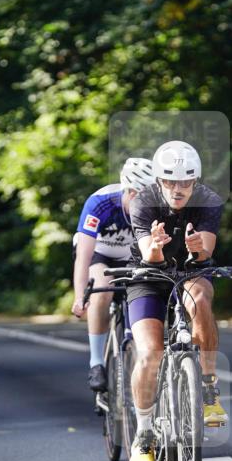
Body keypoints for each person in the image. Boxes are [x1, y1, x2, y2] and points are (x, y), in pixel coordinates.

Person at [126, 140, 227, 461]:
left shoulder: (209, 200)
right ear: (159, 181)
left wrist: (197, 248)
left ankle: (208, 389)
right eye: (171, 182)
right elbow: (148, 256)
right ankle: (143, 436)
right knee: (150, 353)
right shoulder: (143, 202)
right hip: (148, 276)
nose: (179, 189)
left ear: (195, 181)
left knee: (200, 299)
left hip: (190, 271)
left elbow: (204, 254)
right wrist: (155, 247)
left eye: (186, 182)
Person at [71, 158, 155, 391]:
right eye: (142, 197)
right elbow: (83, 257)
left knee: (142, 291)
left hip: (131, 256)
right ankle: (96, 362)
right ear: (129, 191)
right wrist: (80, 296)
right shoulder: (100, 203)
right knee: (103, 289)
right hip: (99, 253)